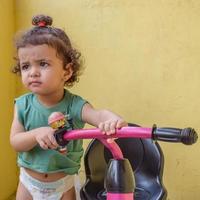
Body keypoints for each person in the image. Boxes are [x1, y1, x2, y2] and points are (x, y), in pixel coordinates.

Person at [10, 14, 127, 200]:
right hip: (28, 183)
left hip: (64, 185)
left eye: (43, 64)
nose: (32, 72)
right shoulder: (23, 104)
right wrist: (36, 133)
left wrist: (112, 120)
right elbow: (16, 141)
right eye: (25, 66)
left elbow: (99, 115)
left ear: (67, 71)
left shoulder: (75, 105)